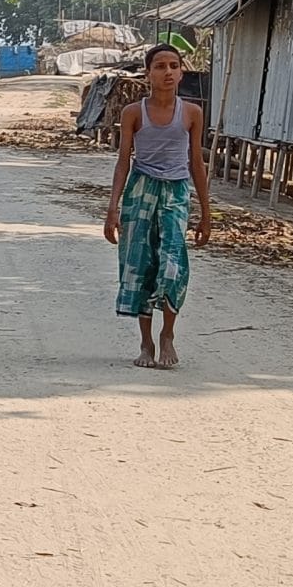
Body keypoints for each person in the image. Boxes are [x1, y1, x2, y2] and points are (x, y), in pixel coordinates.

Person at [102, 44, 210, 368]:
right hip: (140, 190)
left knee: (173, 264)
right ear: (148, 73)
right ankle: (146, 343)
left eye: (173, 66)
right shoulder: (133, 113)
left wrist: (206, 213)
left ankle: (168, 335)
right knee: (141, 264)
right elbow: (123, 162)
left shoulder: (191, 113)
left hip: (176, 194)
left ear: (180, 72)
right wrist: (112, 209)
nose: (167, 72)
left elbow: (196, 163)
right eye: (160, 66)